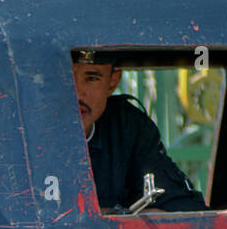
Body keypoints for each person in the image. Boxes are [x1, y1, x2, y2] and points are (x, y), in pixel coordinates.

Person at [72, 48, 205, 213]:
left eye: (91, 78)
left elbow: (183, 210)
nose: (77, 93)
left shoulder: (126, 128)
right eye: (64, 78)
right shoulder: (30, 138)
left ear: (112, 82)